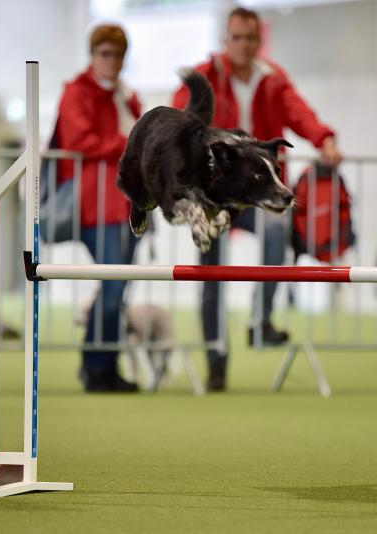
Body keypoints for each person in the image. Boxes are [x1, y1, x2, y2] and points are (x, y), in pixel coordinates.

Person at [173, 6, 342, 392]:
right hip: (213, 194)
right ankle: (216, 361)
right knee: (211, 277)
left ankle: (260, 322)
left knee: (277, 229)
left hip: (256, 192)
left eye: (251, 38)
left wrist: (325, 140)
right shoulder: (205, 77)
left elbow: (300, 113)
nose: (244, 45)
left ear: (259, 40)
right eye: (237, 37)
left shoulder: (272, 78)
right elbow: (178, 118)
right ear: (226, 39)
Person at [55, 24, 142, 392]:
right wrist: (125, 142)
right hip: (97, 204)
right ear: (92, 55)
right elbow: (79, 140)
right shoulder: (77, 92)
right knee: (112, 286)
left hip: (127, 205)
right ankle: (95, 367)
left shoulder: (126, 95)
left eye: (118, 54)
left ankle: (105, 366)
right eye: (105, 53)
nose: (112, 61)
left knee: (117, 290)